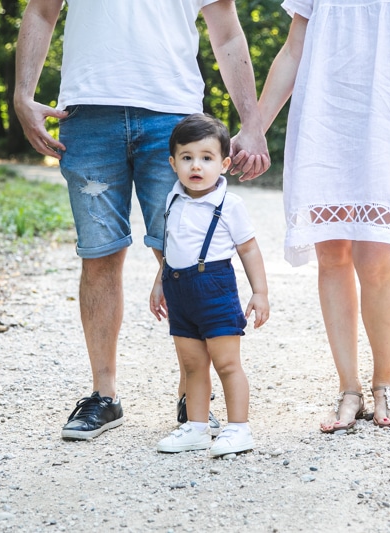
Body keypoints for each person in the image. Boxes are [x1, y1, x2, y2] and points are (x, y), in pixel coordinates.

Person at [14, 1, 270, 441]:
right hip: (87, 113)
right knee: (99, 255)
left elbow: (226, 32)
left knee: (184, 257)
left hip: (172, 118)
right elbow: (41, 11)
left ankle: (192, 398)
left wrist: (252, 122)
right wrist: (22, 94)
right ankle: (103, 396)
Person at [255, 0, 390, 432]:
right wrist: (253, 128)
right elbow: (293, 51)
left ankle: (385, 383)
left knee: (375, 258)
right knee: (331, 255)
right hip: (324, 117)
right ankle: (348, 388)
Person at [150, 114, 269, 456]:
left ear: (224, 163)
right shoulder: (172, 200)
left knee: (227, 363)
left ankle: (238, 428)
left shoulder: (230, 205)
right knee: (192, 366)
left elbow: (248, 248)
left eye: (206, 157)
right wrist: (159, 283)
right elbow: (171, 246)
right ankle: (196, 427)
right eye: (186, 158)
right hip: (179, 290)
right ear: (173, 163)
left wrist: (260, 292)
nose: (196, 166)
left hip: (215, 289)